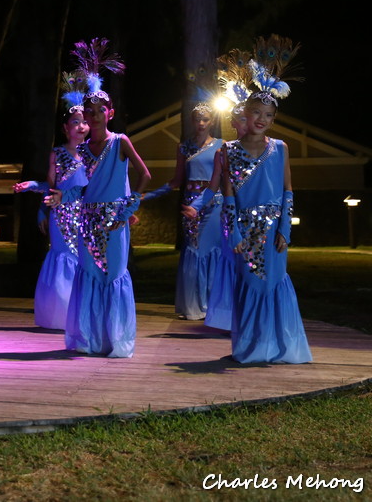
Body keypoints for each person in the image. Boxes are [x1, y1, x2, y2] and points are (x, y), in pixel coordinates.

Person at [185, 35, 311, 363]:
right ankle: (251, 347)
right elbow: (226, 196)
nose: (261, 120)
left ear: (272, 119)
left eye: (268, 116)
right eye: (256, 112)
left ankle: (277, 347)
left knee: (273, 285)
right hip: (244, 231)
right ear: (246, 113)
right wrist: (234, 233)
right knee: (248, 286)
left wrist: (285, 228)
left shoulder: (280, 148)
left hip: (272, 233)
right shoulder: (227, 151)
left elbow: (287, 191)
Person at [47, 38, 151, 357]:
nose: (94, 115)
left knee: (114, 274)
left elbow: (145, 174)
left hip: (115, 219)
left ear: (110, 112)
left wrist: (132, 203)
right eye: (89, 111)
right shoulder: (79, 149)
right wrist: (56, 197)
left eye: (100, 110)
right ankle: (90, 339)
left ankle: (115, 340)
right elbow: (79, 187)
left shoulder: (120, 141)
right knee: (90, 274)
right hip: (87, 219)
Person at [13, 70, 89, 329]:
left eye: (84, 121)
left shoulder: (94, 154)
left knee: (83, 259)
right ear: (66, 128)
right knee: (61, 256)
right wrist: (33, 190)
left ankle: (80, 314)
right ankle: (59, 315)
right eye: (75, 122)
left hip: (85, 214)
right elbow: (51, 187)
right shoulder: (57, 153)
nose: (81, 126)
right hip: (60, 214)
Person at [141, 103, 224, 321]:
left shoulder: (221, 145)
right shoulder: (184, 148)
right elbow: (177, 180)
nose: (201, 123)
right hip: (190, 203)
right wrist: (149, 195)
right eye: (197, 119)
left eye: (205, 119)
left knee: (211, 251)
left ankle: (212, 306)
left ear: (212, 121)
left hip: (214, 203)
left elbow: (225, 179)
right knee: (193, 251)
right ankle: (194, 306)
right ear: (192, 121)